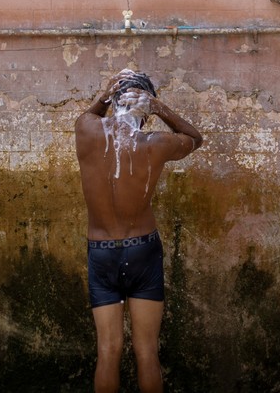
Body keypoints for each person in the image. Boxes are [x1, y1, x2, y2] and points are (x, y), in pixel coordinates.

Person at [75, 69, 203, 393]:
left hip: (101, 252)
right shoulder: (156, 143)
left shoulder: (85, 131)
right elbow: (195, 138)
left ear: (114, 101)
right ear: (144, 114)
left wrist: (104, 94)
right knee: (147, 351)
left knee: (108, 350)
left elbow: (93, 113)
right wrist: (159, 108)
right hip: (142, 250)